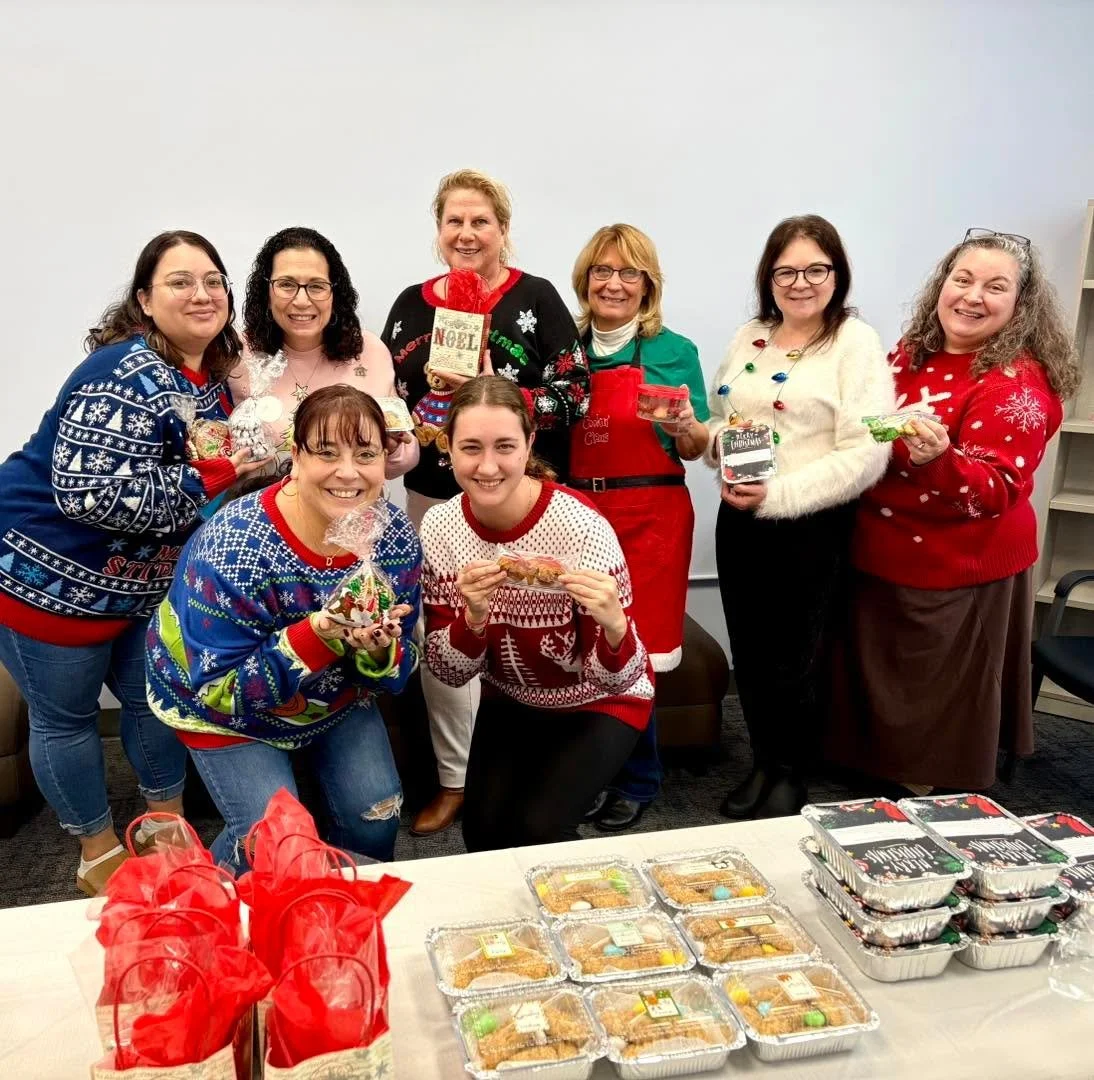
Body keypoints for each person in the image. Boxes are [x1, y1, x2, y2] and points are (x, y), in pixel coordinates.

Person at [0, 230, 267, 895]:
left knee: (155, 702)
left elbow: (210, 469)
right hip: (47, 576)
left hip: (141, 585)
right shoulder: (123, 370)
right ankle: (96, 851)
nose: (201, 293)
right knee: (66, 720)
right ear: (145, 300)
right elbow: (88, 494)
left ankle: (165, 828)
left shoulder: (211, 377)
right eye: (180, 281)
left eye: (213, 279)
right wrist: (213, 480)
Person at [827, 229, 1081, 792]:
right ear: (941, 286)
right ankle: (868, 760)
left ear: (1021, 305)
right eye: (961, 279)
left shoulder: (1017, 384)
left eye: (995, 287)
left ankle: (928, 780)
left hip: (957, 562)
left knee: (932, 685)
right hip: (878, 548)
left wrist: (941, 460)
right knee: (875, 670)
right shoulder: (907, 352)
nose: (971, 296)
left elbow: (996, 488)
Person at [381, 169, 589, 836]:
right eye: (454, 221)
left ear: (503, 229)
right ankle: (454, 780)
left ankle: (536, 769)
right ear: (438, 231)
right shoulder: (412, 304)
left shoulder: (536, 298)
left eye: (481, 222)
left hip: (523, 496)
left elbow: (576, 394)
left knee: (532, 625)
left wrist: (499, 397)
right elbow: (390, 402)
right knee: (446, 636)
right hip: (433, 499)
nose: (467, 234)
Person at [146, 386, 421, 873]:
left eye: (366, 454)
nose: (349, 472)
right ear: (294, 457)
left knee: (374, 817)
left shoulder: (392, 536)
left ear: (387, 460)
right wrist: (317, 635)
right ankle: (209, 902)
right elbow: (219, 690)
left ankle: (346, 914)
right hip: (220, 708)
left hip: (331, 698)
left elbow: (402, 665)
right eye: (326, 452)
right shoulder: (236, 546)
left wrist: (378, 652)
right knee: (274, 845)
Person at [705, 214, 894, 819]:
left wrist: (778, 497)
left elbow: (867, 452)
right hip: (740, 519)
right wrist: (706, 442)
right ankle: (762, 761)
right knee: (751, 651)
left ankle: (791, 773)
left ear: (837, 274)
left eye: (816, 269)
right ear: (769, 278)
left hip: (809, 525)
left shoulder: (854, 343)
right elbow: (723, 425)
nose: (801, 282)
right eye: (786, 271)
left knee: (796, 657)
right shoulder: (751, 335)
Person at [419, 376, 654, 851]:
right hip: (510, 699)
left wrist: (614, 626)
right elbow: (448, 670)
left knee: (539, 832)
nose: (487, 466)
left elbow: (620, 679)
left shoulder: (581, 526)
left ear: (529, 444)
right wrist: (474, 618)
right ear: (448, 449)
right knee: (482, 838)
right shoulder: (441, 526)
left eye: (505, 446)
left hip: (599, 700)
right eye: (471, 447)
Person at [568, 224, 709, 832]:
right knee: (581, 647)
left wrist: (682, 424)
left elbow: (701, 444)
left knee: (637, 652)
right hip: (579, 515)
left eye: (629, 272)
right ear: (586, 280)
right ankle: (591, 771)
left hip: (653, 516)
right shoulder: (566, 348)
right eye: (603, 270)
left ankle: (638, 777)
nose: (615, 283)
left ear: (647, 283)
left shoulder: (676, 350)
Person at [231, 226, 418, 477]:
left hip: (349, 507)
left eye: (317, 286)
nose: (301, 301)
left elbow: (404, 456)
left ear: (335, 292)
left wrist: (393, 448)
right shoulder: (238, 355)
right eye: (286, 285)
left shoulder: (369, 351)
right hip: (263, 511)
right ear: (266, 291)